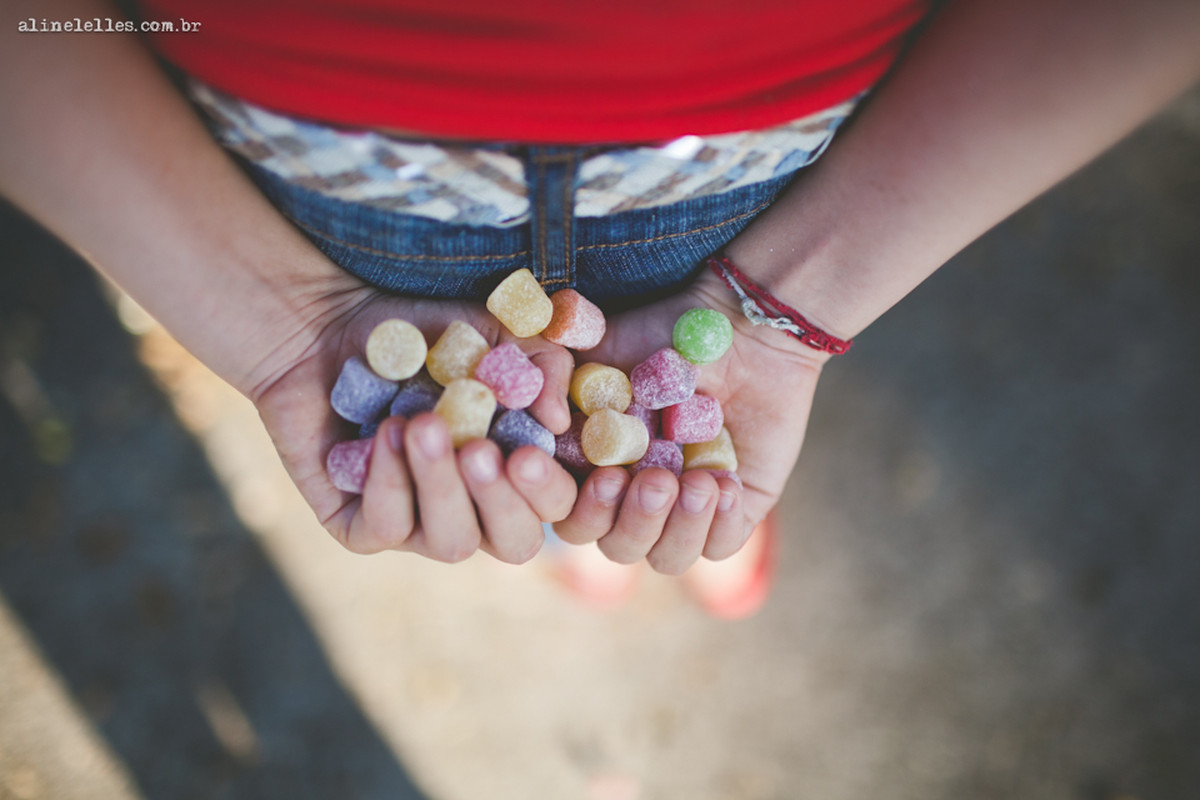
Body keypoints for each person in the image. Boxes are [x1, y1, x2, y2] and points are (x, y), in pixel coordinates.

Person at [3, 0, 1198, 594]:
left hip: (746, 158)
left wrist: (789, 309)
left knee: (651, 448)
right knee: (524, 455)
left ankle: (622, 499)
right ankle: (599, 502)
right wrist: (275, 328)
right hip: (342, 170)